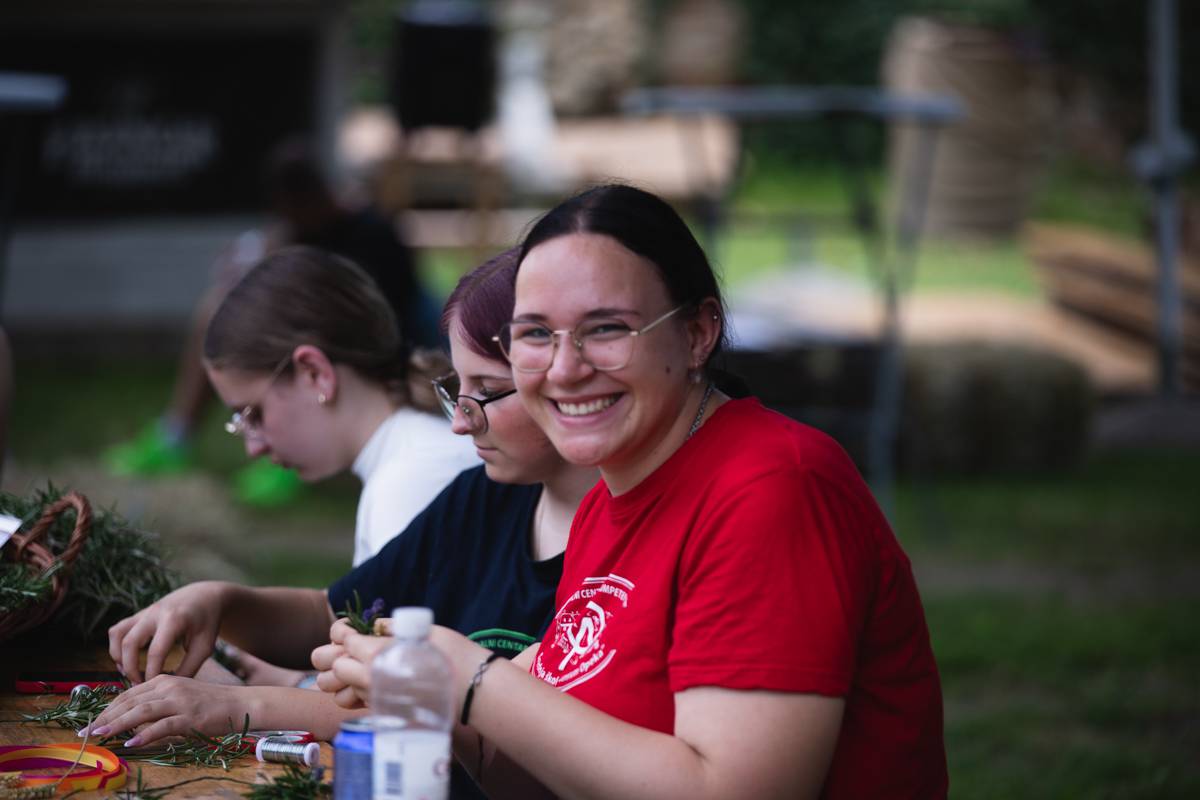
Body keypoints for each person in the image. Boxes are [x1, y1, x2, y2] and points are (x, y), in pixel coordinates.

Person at [317, 185, 948, 799]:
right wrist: (439, 708)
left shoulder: (775, 486)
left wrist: (477, 683)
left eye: (607, 328)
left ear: (699, 332)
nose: (564, 369)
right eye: (536, 334)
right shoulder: (605, 505)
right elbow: (556, 771)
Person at [90, 251, 598, 782]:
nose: (460, 424)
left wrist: (254, 702)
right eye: (457, 390)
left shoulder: (422, 477)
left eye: (253, 414)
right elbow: (338, 612)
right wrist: (220, 601)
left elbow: (427, 701)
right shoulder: (479, 494)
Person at [104, 138, 439, 507]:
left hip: (396, 337)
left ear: (316, 194)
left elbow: (376, 318)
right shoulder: (291, 233)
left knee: (303, 344)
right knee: (217, 310)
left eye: (296, 206)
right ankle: (177, 435)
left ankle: (294, 449)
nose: (290, 216)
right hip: (330, 338)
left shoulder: (372, 231)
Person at [201, 245, 476, 567]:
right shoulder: (411, 460)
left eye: (254, 414)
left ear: (315, 374)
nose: (253, 448)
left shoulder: (411, 484)